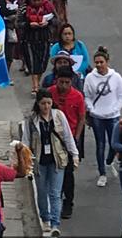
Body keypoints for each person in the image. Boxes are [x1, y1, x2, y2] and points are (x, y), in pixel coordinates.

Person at [26, 89, 78, 238]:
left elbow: (67, 136)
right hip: (39, 161)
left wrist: (74, 155)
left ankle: (55, 223)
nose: (46, 106)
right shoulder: (32, 120)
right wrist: (24, 161)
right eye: (43, 103)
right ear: (38, 104)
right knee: (42, 193)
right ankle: (45, 218)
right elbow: (26, 141)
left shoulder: (59, 116)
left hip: (57, 160)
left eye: (49, 103)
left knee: (55, 193)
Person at [84, 46, 122, 189]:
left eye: (101, 62)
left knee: (114, 143)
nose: (99, 65)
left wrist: (115, 109)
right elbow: (87, 96)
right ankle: (102, 173)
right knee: (100, 144)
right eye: (96, 62)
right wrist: (92, 109)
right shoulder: (90, 78)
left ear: (107, 62)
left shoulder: (116, 77)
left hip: (113, 116)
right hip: (97, 116)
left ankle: (109, 161)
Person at [50, 67, 85, 221]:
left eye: (67, 82)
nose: (63, 86)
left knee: (68, 174)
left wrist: (76, 138)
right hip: (51, 139)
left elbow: (81, 118)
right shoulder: (50, 92)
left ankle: (68, 202)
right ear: (56, 80)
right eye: (61, 82)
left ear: (72, 82)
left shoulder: (77, 96)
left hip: (69, 140)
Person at [23, 0, 55, 94]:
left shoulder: (48, 7)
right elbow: (18, 23)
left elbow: (56, 20)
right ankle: (35, 86)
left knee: (43, 64)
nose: (36, 3)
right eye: (34, 1)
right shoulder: (24, 8)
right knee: (33, 63)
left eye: (39, 0)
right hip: (30, 39)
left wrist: (48, 23)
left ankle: (38, 82)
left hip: (44, 38)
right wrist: (29, 24)